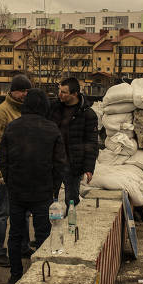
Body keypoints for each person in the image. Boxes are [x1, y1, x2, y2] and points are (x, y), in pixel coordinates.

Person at [0, 88, 67, 284]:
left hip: (17, 190)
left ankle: (16, 274)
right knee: (43, 234)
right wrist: (53, 188)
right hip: (42, 191)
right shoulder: (52, 129)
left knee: (15, 234)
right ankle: (40, 273)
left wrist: (10, 181)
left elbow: (3, 159)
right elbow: (59, 164)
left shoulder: (12, 127)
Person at [0, 74, 34, 267]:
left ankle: (23, 246)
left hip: (23, 173)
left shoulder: (26, 111)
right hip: (7, 173)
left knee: (23, 213)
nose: (24, 94)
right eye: (22, 91)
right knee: (2, 212)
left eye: (27, 91)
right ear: (13, 91)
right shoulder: (1, 112)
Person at [48, 77, 99, 213]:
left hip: (73, 165)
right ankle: (48, 231)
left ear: (75, 94)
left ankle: (70, 229)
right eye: (60, 91)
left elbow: (91, 142)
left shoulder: (87, 114)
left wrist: (89, 167)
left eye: (64, 92)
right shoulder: (54, 108)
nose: (60, 95)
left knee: (71, 202)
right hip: (53, 163)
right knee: (48, 201)